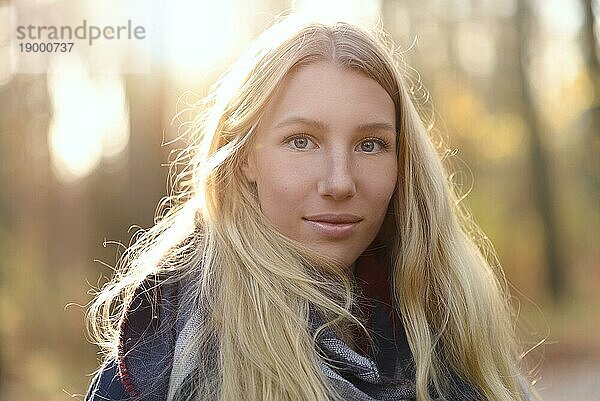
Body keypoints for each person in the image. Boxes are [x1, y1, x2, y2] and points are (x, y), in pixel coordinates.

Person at [85, 16, 538, 401]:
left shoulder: (452, 318)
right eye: (301, 141)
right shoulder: (164, 343)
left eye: (370, 144)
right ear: (245, 158)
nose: (339, 182)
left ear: (403, 162)